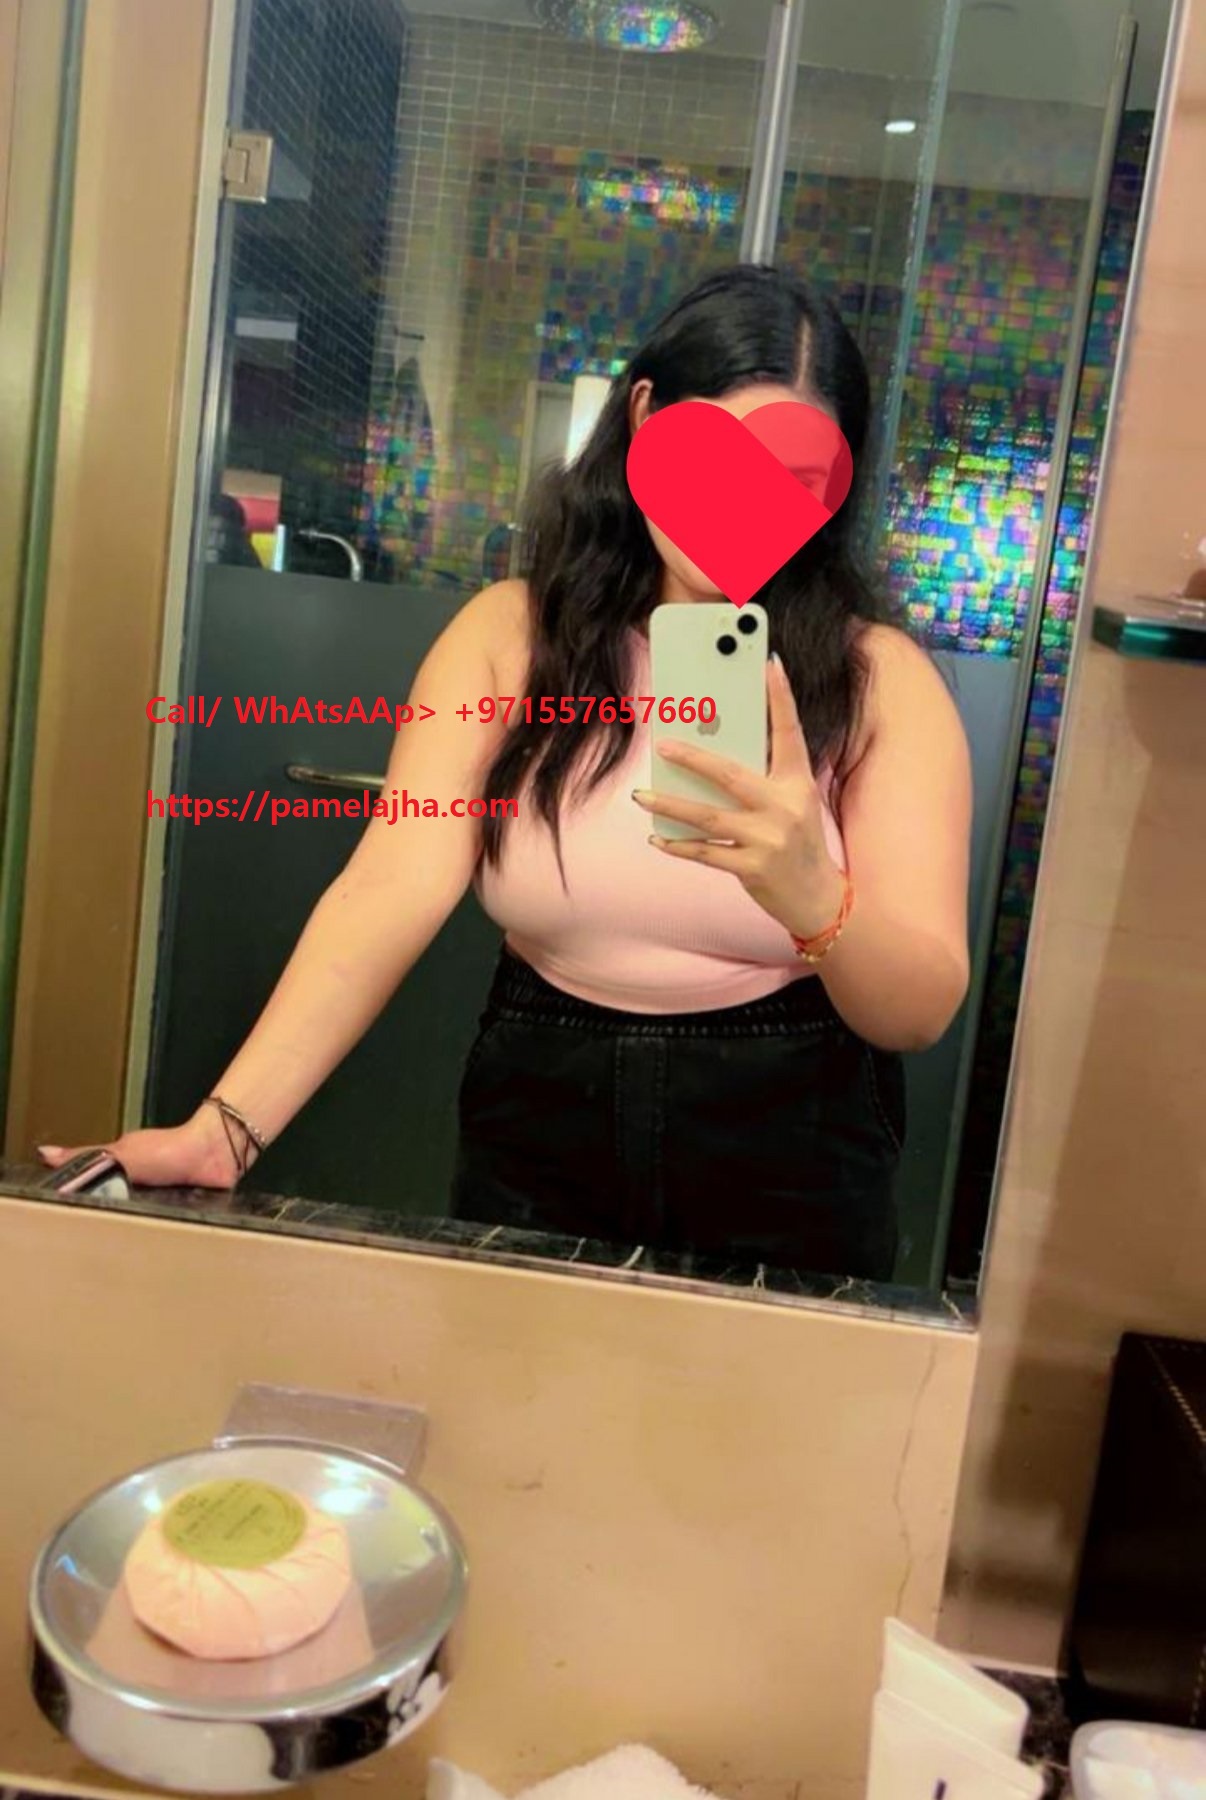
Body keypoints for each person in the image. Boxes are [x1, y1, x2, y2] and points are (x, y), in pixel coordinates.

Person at [39, 265, 972, 1281]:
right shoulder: (508, 639)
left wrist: (815, 896)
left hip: (794, 1132)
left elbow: (918, 1009)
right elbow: (390, 887)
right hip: (542, 1105)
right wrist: (226, 1131)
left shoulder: (879, 681)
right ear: (645, 417)